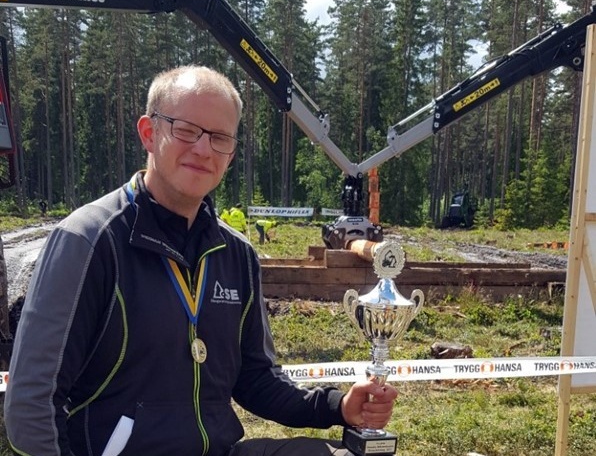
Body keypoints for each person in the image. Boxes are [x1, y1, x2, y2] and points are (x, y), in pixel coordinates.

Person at [4, 65, 397, 456]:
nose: (203, 149)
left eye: (219, 138)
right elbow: (32, 403)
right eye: (186, 130)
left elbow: (256, 379)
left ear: (230, 153)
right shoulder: (88, 241)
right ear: (149, 132)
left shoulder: (237, 254)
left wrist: (338, 406)